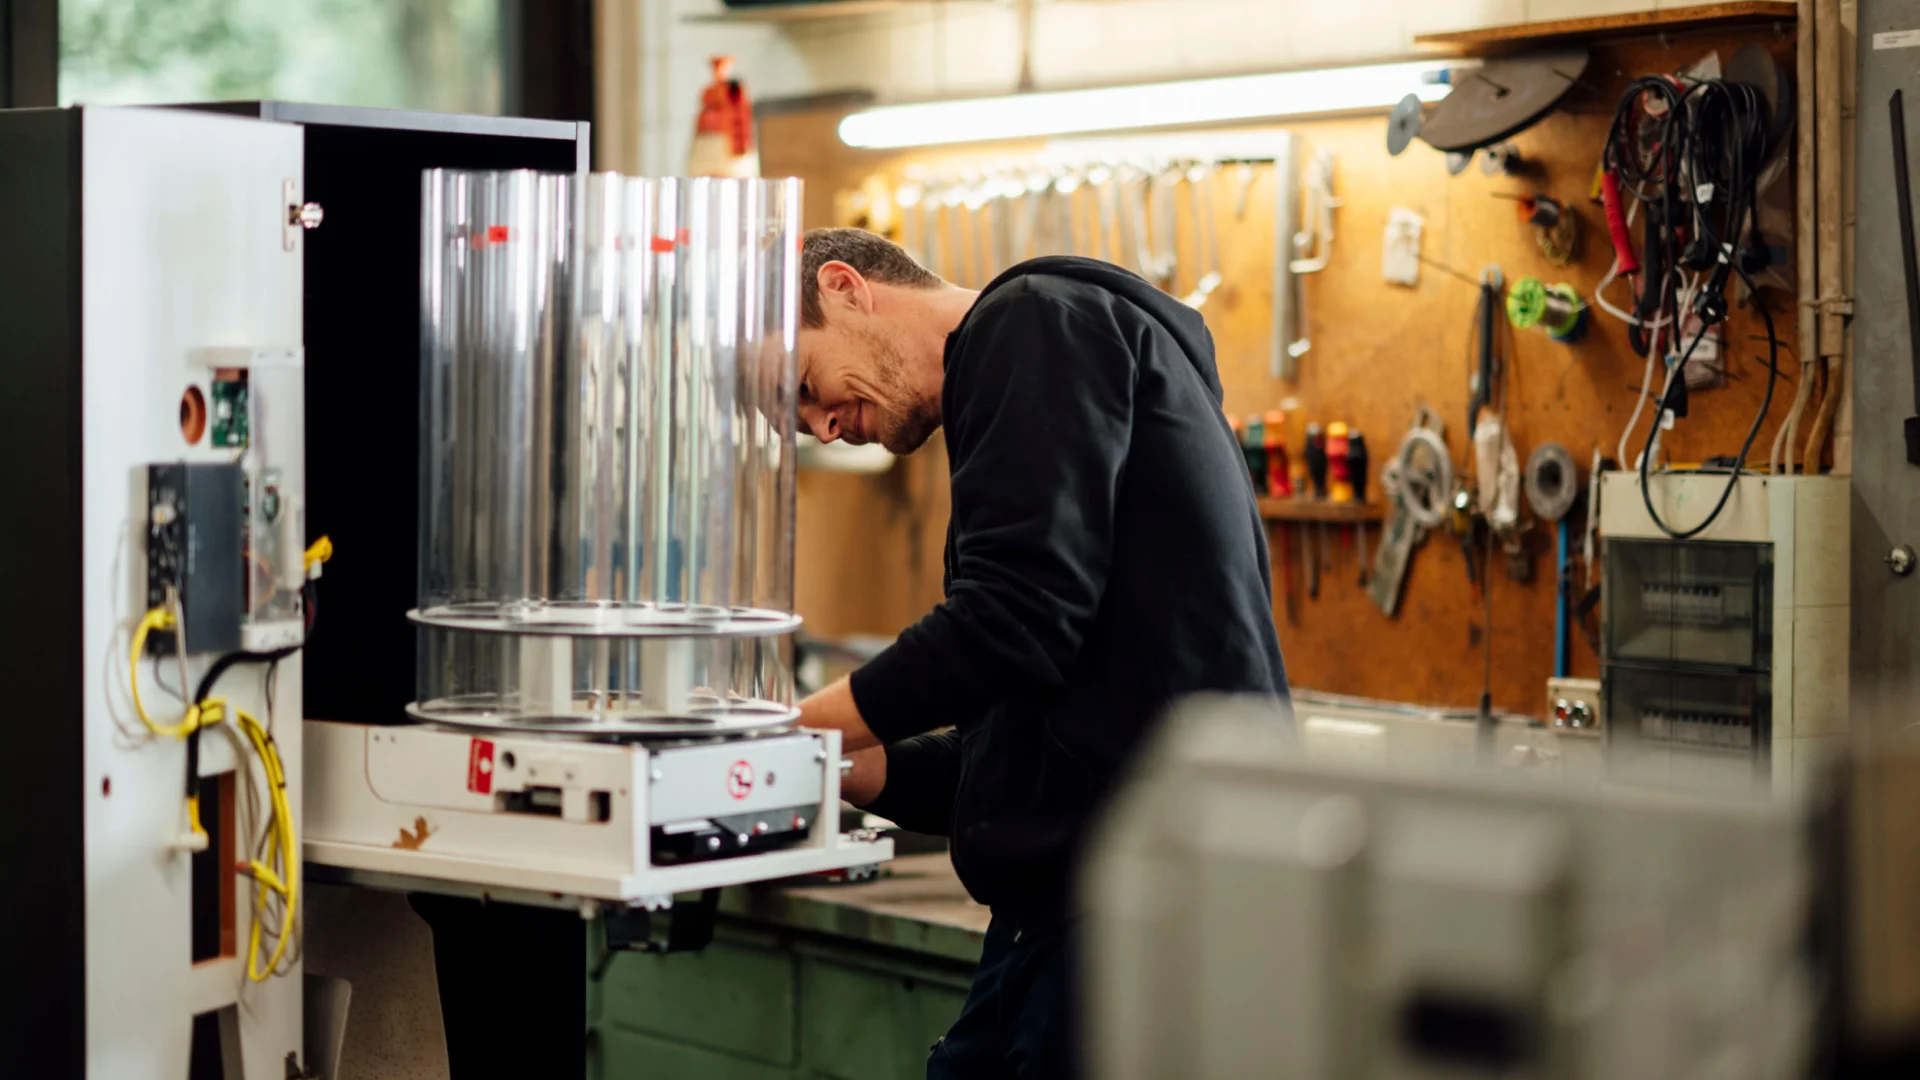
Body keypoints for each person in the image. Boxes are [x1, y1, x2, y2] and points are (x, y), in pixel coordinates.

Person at [793, 228, 1289, 1079]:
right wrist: (840, 765)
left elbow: (1013, 621)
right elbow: (1030, 751)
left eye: (803, 386)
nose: (821, 427)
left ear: (843, 287)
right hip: (1068, 913)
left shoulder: (1032, 323)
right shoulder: (1027, 384)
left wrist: (787, 724)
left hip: (1137, 910)